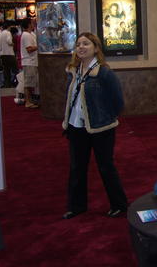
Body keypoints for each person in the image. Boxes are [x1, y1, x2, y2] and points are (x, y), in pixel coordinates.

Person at [61, 32, 128, 219]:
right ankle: (76, 206)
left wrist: (104, 117)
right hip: (75, 127)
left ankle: (119, 205)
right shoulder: (73, 71)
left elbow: (118, 102)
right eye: (78, 44)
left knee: (106, 167)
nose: (81, 47)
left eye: (86, 44)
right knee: (77, 168)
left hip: (101, 129)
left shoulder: (104, 73)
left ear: (96, 48)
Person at [20, 19, 39, 108]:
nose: (33, 24)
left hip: (33, 62)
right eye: (32, 23)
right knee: (28, 83)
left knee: (31, 82)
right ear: (28, 24)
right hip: (29, 62)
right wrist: (39, 46)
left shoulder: (31, 34)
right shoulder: (26, 35)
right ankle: (28, 102)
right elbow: (29, 49)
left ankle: (30, 100)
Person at [0, 22, 18, 87]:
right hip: (9, 54)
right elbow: (9, 41)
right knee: (15, 69)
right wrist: (13, 44)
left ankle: (7, 84)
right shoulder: (8, 33)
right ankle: (17, 83)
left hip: (2, 54)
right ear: (8, 27)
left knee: (6, 70)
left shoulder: (0, 34)